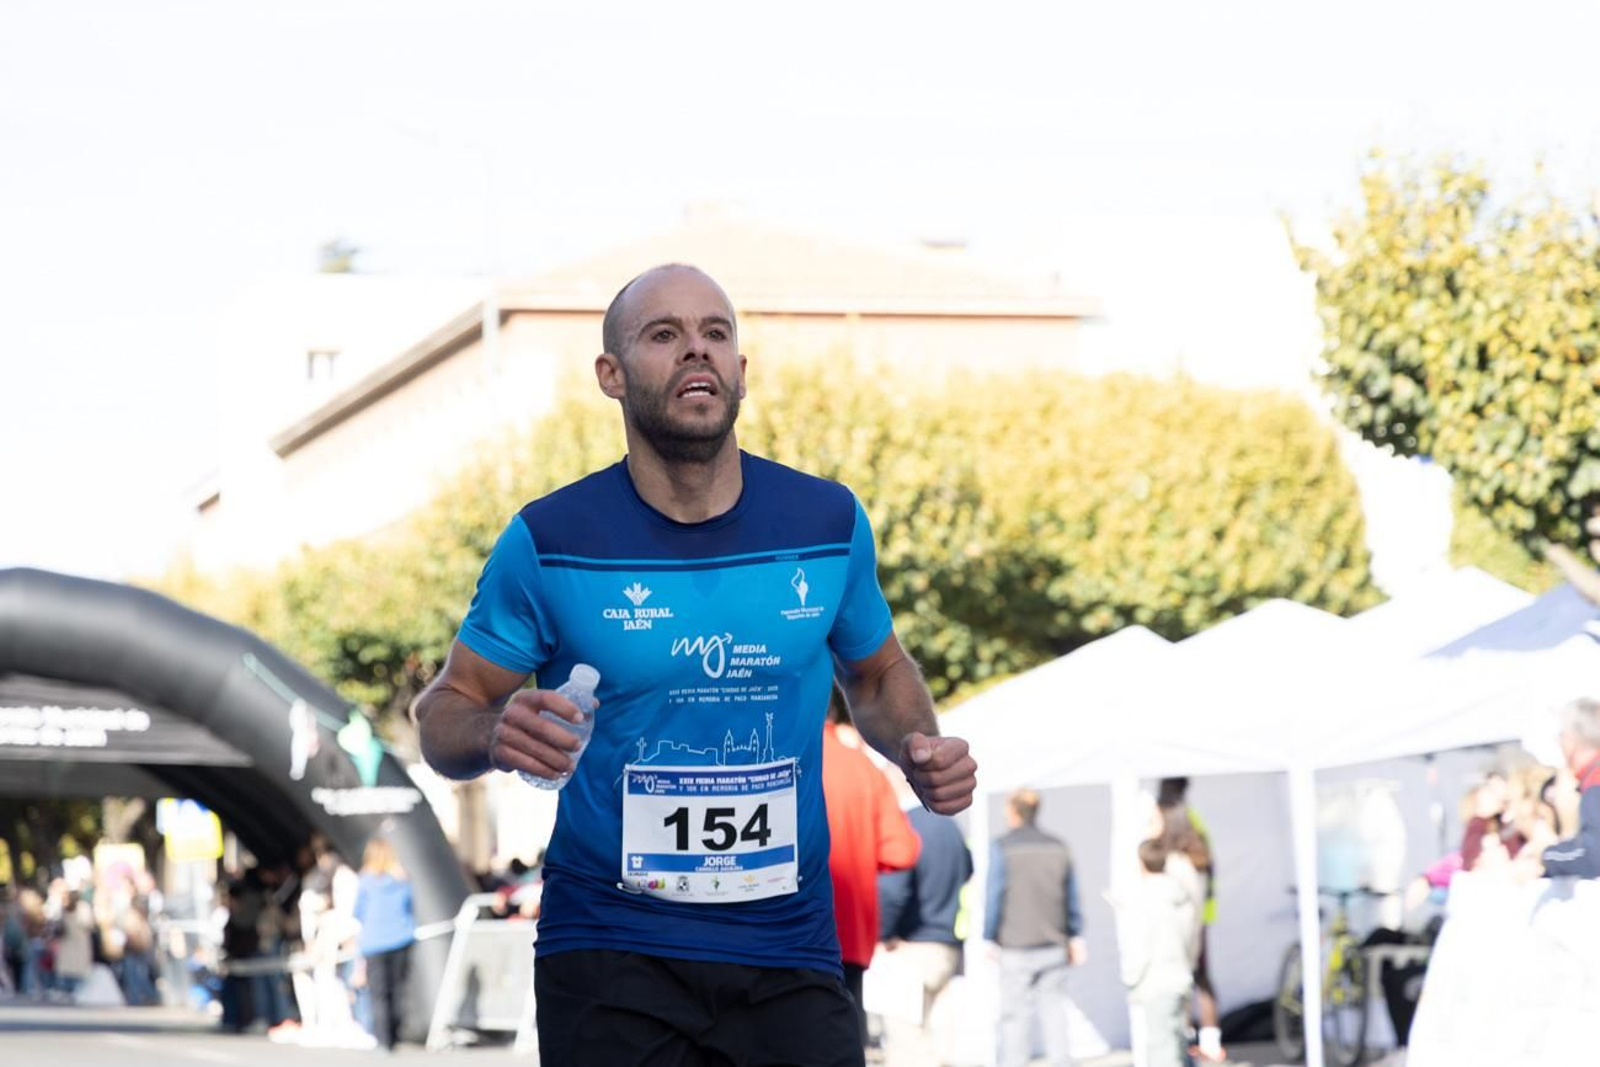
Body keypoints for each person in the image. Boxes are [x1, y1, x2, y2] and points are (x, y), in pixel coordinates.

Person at [413, 263, 978, 1066]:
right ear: (611, 374)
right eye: (664, 335)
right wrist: (495, 727)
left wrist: (919, 747)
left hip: (789, 946)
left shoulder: (827, 522)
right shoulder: (550, 539)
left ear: (741, 372)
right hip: (611, 952)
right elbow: (443, 712)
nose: (696, 352)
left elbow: (879, 672)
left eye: (716, 333)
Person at [821, 693, 921, 1049]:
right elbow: (902, 850)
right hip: (849, 935)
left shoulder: (769, 757)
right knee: (844, 1039)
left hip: (775, 935)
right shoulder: (862, 767)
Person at [876, 771, 973, 1067]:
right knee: (941, 1044)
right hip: (947, 945)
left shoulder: (906, 826)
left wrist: (882, 934)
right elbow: (968, 870)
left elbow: (893, 890)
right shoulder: (951, 827)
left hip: (910, 947)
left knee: (907, 1044)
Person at [985, 788, 1085, 1067]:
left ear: (1013, 812)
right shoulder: (1058, 845)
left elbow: (995, 894)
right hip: (1053, 943)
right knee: (1055, 1015)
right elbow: (1071, 896)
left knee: (1015, 1018)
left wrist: (988, 935)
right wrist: (1075, 934)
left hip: (1016, 944)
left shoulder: (1003, 846)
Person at [1113, 840, 1196, 1067]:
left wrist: (1131, 978)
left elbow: (1139, 944)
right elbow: (1190, 937)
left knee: (1162, 1048)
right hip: (1180, 975)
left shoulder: (1141, 899)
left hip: (1155, 980)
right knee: (1177, 1042)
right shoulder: (1179, 895)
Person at [1158, 776, 1223, 1063]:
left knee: (1184, 979)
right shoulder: (1195, 823)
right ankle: (1207, 1041)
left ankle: (1189, 1040)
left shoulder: (1173, 826)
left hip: (1184, 919)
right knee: (1200, 977)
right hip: (1200, 916)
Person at [353, 837, 415, 1051]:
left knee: (379, 992)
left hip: (374, 942)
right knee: (398, 989)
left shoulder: (366, 880)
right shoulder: (401, 879)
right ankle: (396, 1034)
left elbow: (357, 912)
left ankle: (384, 1039)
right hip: (401, 938)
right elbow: (409, 906)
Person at [1533, 696, 1600, 879]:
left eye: (1560, 736)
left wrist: (1547, 854)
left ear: (1571, 738)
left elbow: (1593, 857)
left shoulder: (1595, 782)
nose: (1559, 743)